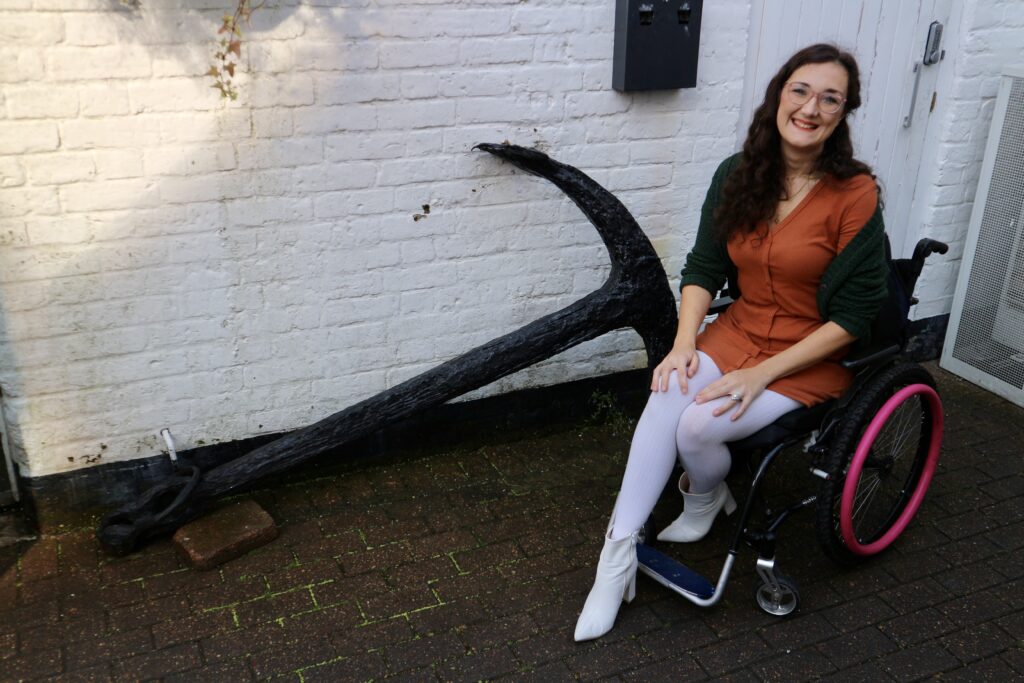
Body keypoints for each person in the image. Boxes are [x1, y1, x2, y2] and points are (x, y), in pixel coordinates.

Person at [574, 43, 889, 641]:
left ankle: (702, 497)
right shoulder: (736, 174)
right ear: (778, 96)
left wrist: (761, 375)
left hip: (806, 353)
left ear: (843, 114)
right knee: (668, 391)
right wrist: (683, 343)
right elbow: (703, 268)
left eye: (831, 98)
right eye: (800, 91)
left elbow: (852, 318)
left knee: (697, 427)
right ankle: (614, 563)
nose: (811, 107)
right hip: (738, 329)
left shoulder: (855, 194)